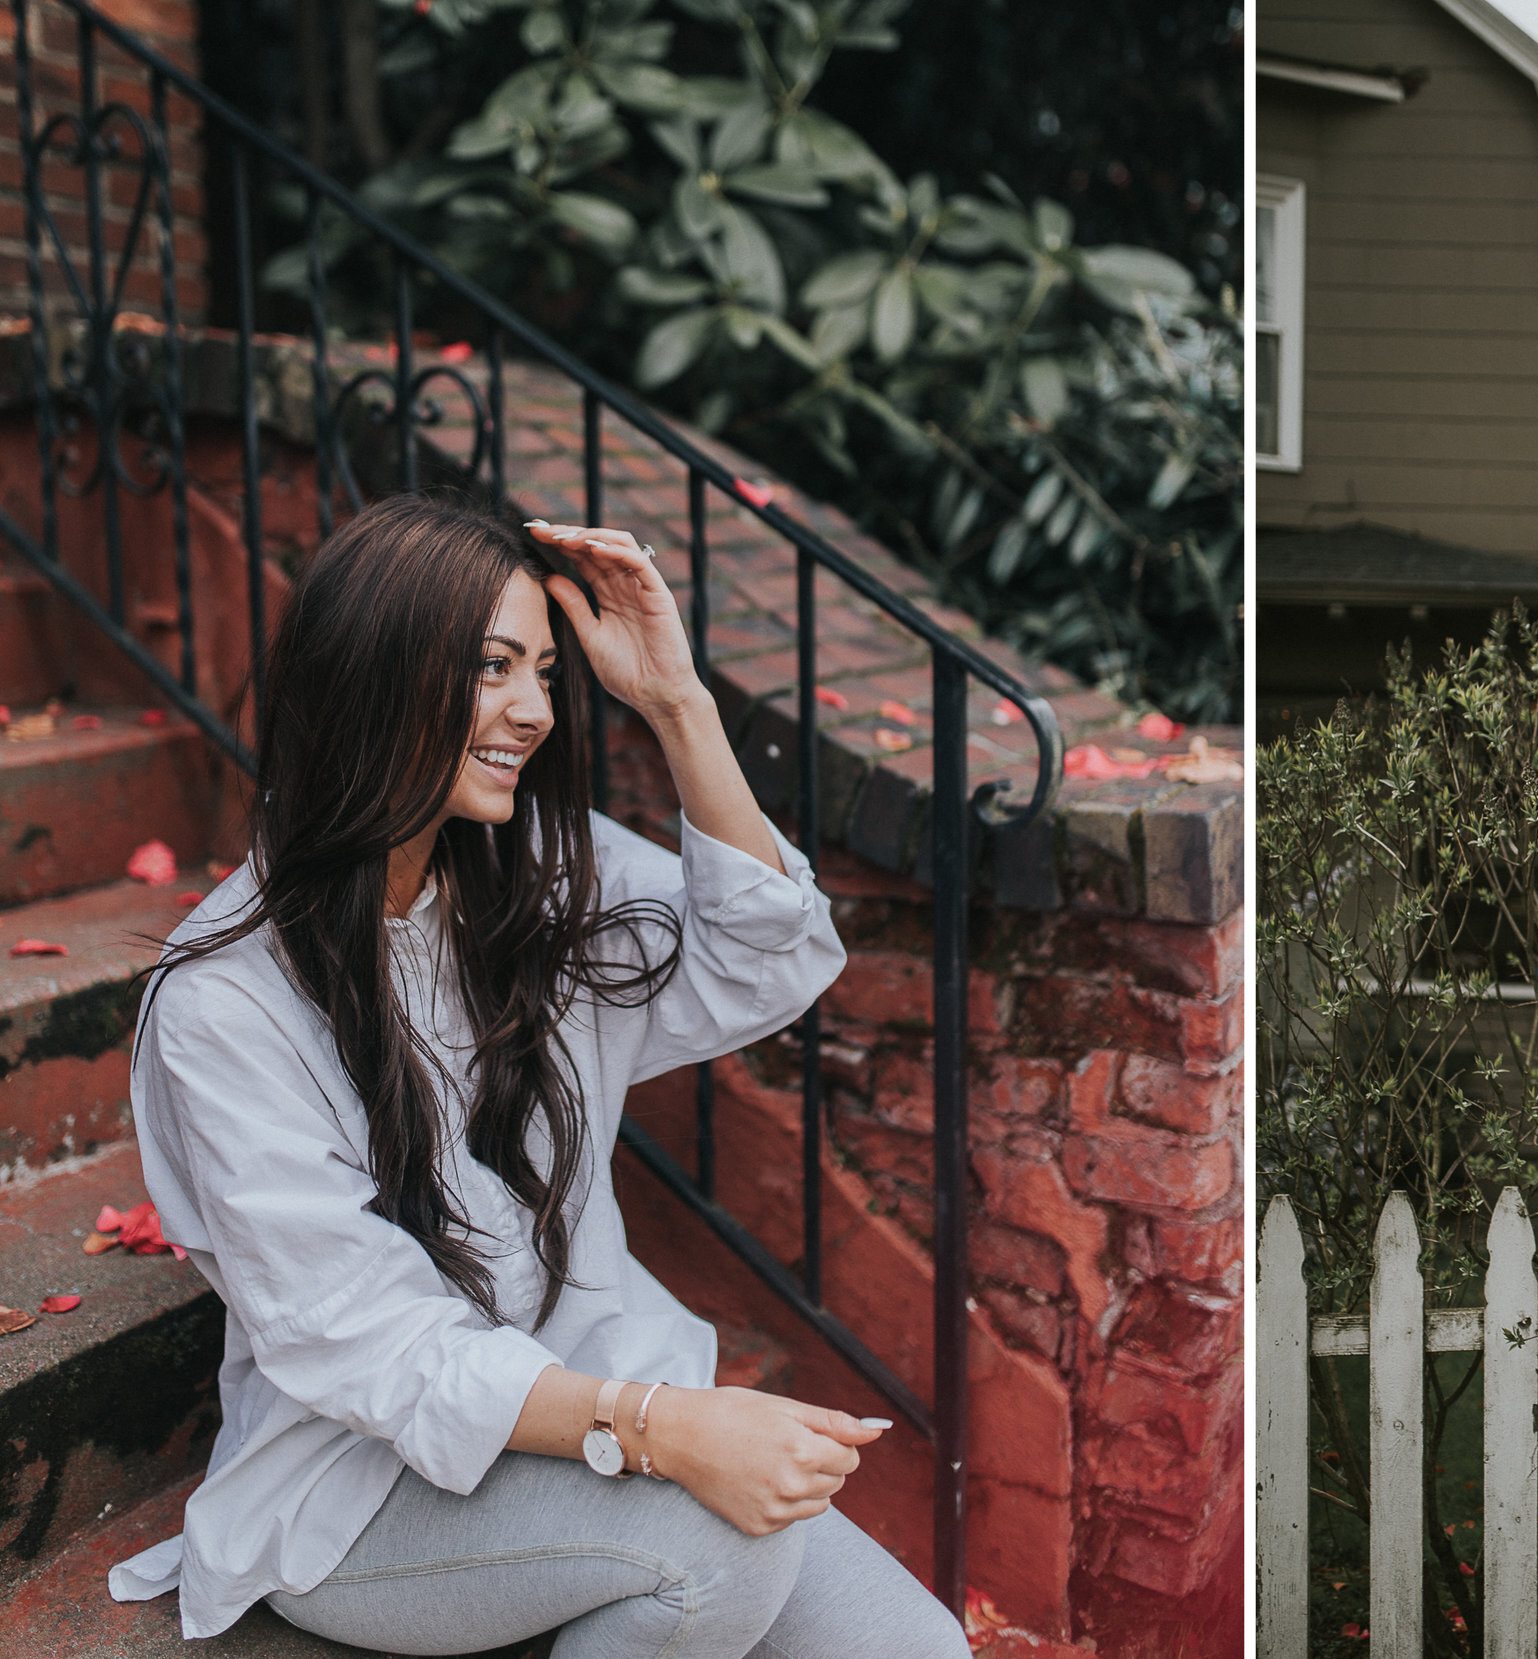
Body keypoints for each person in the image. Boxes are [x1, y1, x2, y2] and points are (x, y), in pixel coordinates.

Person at [107, 495, 971, 1658]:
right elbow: (364, 1341)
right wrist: (665, 1428)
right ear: (374, 675)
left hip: (589, 1382)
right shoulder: (227, 1000)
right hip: (364, 1487)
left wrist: (676, 699)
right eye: (491, 667)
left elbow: (768, 962)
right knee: (713, 1549)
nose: (532, 711)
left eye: (546, 673)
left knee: (920, 1652)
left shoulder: (537, 878)